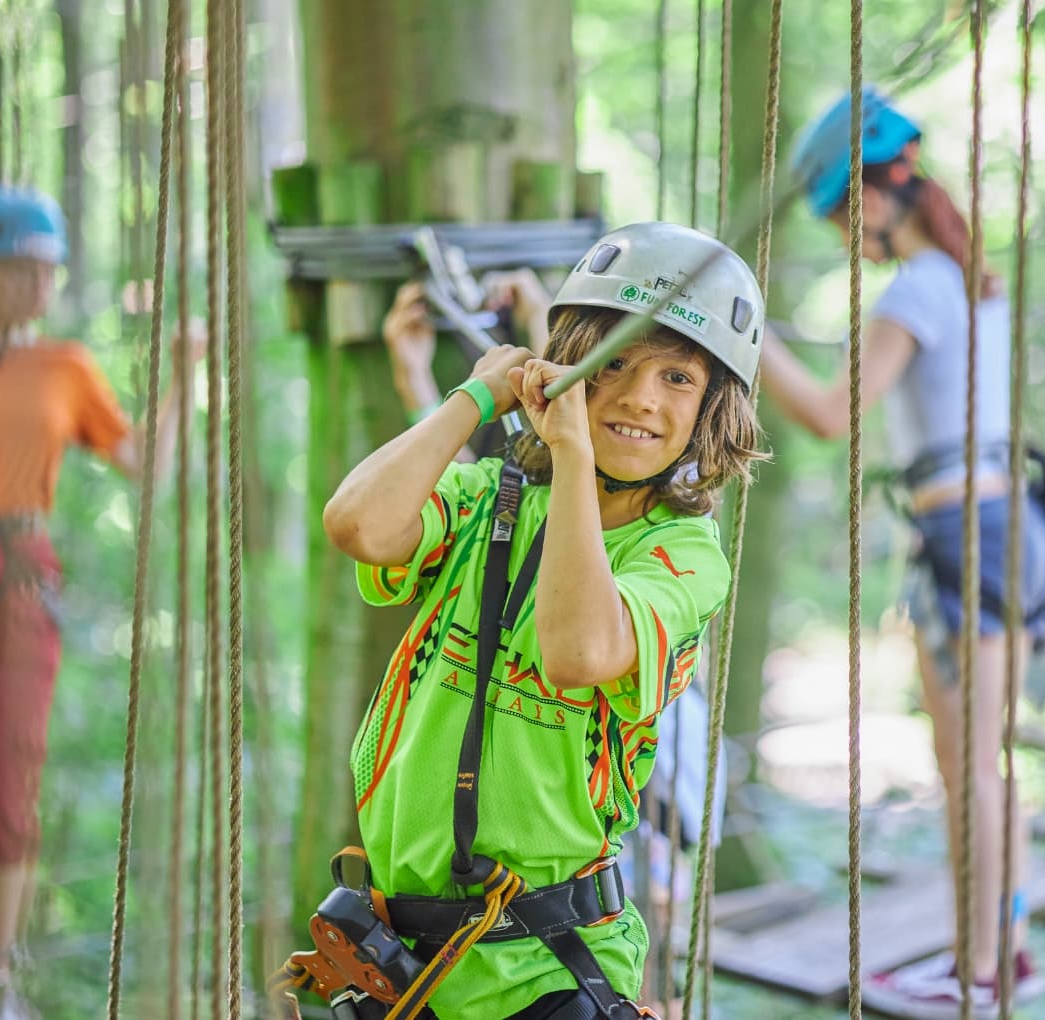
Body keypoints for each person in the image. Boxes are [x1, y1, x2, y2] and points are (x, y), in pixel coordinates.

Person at [321, 221, 765, 1019]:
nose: (638, 397)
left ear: (713, 411)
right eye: (615, 364)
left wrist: (570, 458)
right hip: (404, 962)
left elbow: (577, 648)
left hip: (548, 967)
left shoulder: (685, 554)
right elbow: (359, 525)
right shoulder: (488, 498)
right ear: (567, 371)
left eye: (677, 378)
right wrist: (477, 396)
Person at [762, 88, 1045, 1014]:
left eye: (845, 217)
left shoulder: (923, 286)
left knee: (971, 766)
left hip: (968, 533)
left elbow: (825, 415)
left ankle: (980, 968)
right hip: (1002, 528)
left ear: (878, 194)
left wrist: (737, 325)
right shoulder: (969, 280)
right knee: (982, 763)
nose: (850, 238)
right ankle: (998, 955)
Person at [0, 184, 199, 1020]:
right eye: (24, 270)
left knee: (6, 783)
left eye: (49, 271)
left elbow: (148, 469)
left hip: (14, 569)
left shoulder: (66, 368)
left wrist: (183, 374)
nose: (42, 287)